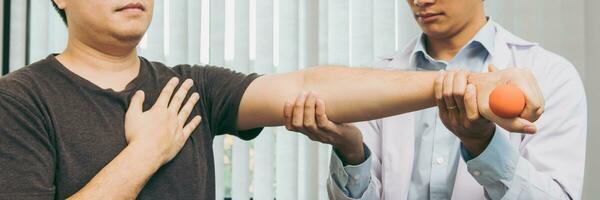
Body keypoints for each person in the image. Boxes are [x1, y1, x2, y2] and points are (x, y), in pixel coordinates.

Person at [0, 0, 543, 199]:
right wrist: (144, 155)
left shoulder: (191, 88)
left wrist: (472, 85)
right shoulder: (18, 100)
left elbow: (309, 83)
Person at [284, 0, 587, 199]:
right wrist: (351, 151)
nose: (420, 1)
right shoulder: (379, 77)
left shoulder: (550, 75)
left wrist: (483, 144)